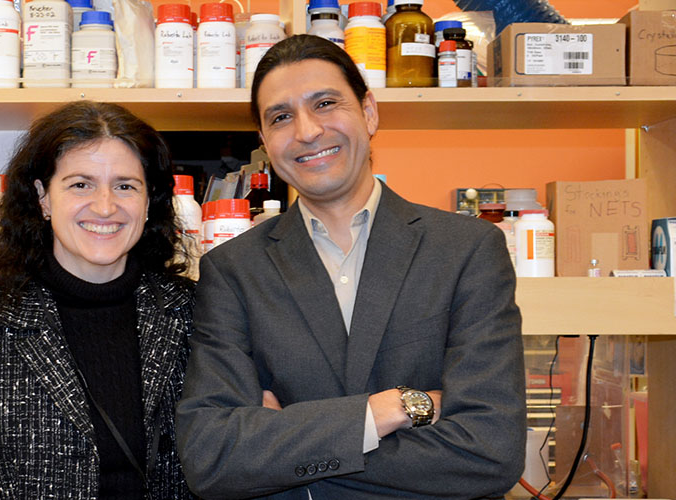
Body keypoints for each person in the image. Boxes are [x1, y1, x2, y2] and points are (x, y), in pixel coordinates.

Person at [175, 35, 526, 499]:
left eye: (325, 103)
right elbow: (212, 457)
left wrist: (286, 446)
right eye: (281, 117)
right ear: (264, 141)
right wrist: (388, 411)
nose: (306, 131)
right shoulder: (233, 270)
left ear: (370, 112)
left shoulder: (467, 250)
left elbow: (491, 452)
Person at [0, 101, 195, 499]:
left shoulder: (190, 311)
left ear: (149, 199)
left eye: (125, 185)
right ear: (43, 197)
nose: (105, 206)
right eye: (80, 184)